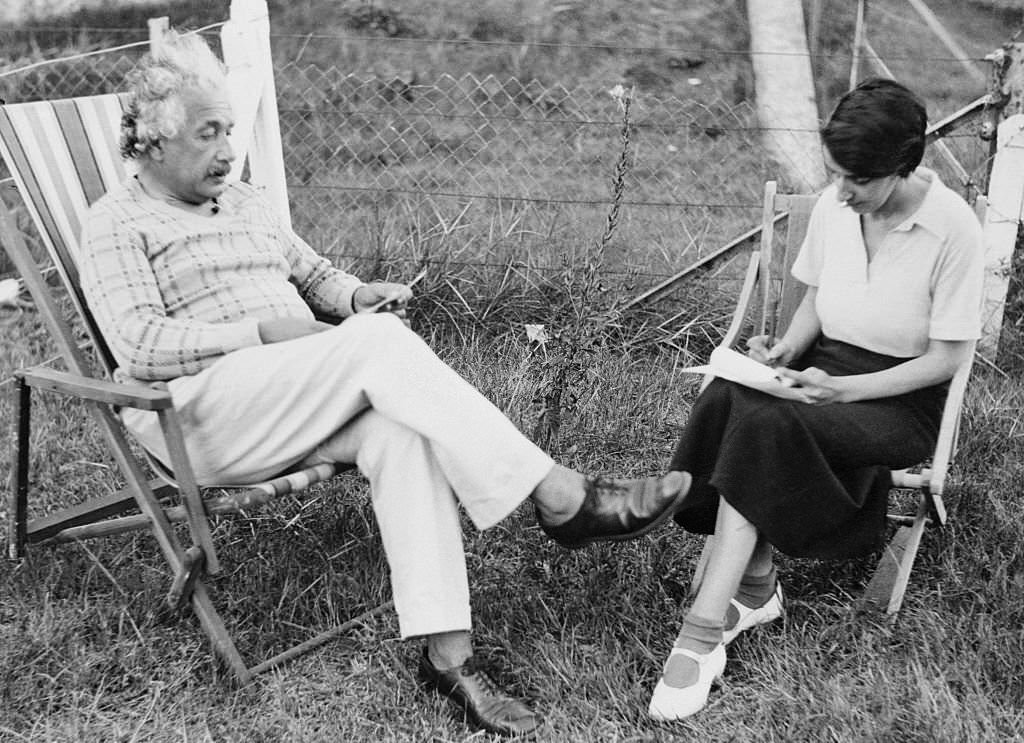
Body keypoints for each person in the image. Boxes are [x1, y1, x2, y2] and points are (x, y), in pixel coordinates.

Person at [78, 30, 689, 737]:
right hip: (199, 415)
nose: (227, 149)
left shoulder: (243, 201)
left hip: (293, 393)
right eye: (207, 133)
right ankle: (561, 496)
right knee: (374, 350)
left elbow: (311, 274)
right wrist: (260, 334)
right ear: (152, 142)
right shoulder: (115, 223)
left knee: (402, 424)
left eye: (231, 130)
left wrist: (354, 296)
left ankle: (449, 656)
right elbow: (140, 344)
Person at [647, 77, 985, 721]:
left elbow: (947, 359)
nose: (842, 191)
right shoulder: (838, 208)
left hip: (898, 397)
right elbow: (814, 300)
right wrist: (783, 352)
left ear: (903, 164)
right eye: (836, 174)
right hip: (826, 366)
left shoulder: (954, 231)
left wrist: (845, 391)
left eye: (859, 178)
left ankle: (702, 631)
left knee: (769, 427)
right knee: (730, 397)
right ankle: (754, 583)